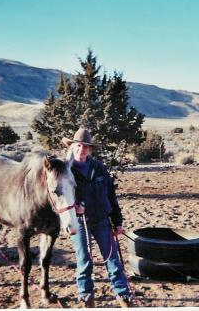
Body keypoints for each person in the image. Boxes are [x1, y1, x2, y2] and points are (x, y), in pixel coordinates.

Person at [62, 128, 132, 308]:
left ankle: (123, 294)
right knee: (84, 260)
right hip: (79, 223)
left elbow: (110, 195)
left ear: (90, 149)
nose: (82, 150)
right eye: (78, 146)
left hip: (102, 221)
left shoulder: (99, 168)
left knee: (112, 259)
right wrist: (73, 207)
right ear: (72, 147)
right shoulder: (65, 170)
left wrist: (118, 222)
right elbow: (59, 196)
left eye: (86, 146)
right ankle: (86, 296)